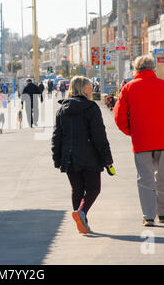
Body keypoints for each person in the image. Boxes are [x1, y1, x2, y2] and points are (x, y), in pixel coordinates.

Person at [114, 55, 164, 227]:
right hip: (162, 139)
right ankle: (163, 212)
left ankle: (149, 216)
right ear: (153, 68)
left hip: (141, 141)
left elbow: (119, 116)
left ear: (136, 69)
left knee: (145, 178)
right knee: (162, 176)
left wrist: (132, 132)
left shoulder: (129, 88)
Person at [52, 76, 113, 234]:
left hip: (69, 157)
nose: (92, 89)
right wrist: (108, 160)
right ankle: (82, 213)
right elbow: (99, 136)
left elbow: (56, 136)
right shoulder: (91, 108)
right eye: (89, 87)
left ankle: (82, 222)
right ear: (82, 89)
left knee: (77, 189)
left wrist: (57, 159)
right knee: (93, 188)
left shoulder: (62, 109)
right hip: (90, 156)